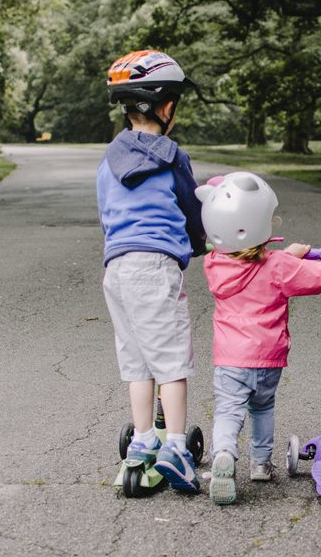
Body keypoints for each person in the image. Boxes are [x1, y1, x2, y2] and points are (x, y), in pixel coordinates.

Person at [194, 171, 321, 505]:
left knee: (229, 411)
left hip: (230, 358)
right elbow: (317, 277)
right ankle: (260, 464)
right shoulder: (278, 266)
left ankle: (224, 455)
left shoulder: (215, 264)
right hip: (268, 358)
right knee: (262, 408)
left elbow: (252, 262)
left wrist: (288, 254)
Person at [98, 50, 205, 493]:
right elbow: (192, 207)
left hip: (117, 268)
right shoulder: (171, 156)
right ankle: (176, 447)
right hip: (154, 266)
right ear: (166, 108)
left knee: (137, 360)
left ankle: (142, 440)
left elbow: (106, 212)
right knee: (171, 360)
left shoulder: (108, 159)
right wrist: (201, 244)